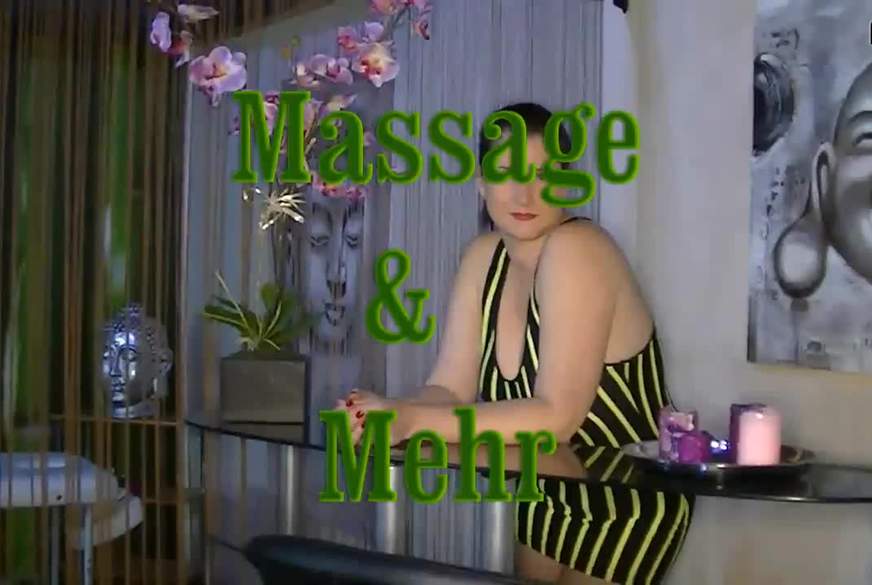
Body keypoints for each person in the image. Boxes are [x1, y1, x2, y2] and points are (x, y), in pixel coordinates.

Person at [337, 102, 692, 584]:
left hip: (625, 497)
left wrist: (411, 420)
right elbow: (449, 388)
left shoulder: (580, 249)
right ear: (481, 182)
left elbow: (557, 417)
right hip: (543, 486)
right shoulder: (482, 257)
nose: (525, 193)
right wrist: (385, 414)